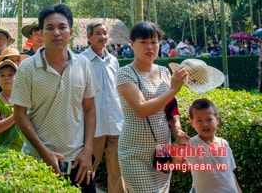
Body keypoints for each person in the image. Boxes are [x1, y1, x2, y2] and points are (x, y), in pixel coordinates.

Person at [11, 3, 99, 192]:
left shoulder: (83, 65)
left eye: (62, 27)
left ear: (71, 31)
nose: (56, 33)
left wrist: (88, 151)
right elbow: (19, 114)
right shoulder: (27, 69)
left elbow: (90, 109)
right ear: (41, 33)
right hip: (37, 160)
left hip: (78, 161)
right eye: (50, 28)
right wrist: (45, 154)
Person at [116, 21, 189, 193]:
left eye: (154, 42)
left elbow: (170, 106)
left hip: (162, 149)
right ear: (132, 44)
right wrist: (172, 89)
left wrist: (177, 129)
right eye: (143, 42)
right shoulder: (126, 73)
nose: (150, 47)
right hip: (134, 153)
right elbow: (141, 109)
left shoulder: (164, 71)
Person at [80, 22, 125, 193]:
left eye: (104, 33)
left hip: (115, 123)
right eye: (97, 33)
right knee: (88, 168)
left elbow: (117, 90)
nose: (102, 37)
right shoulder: (81, 60)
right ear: (89, 37)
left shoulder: (113, 60)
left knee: (118, 171)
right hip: (94, 126)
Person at [186, 98, 242, 193]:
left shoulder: (224, 144)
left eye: (209, 119)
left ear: (217, 120)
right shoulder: (191, 144)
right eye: (199, 120)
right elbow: (177, 161)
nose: (205, 124)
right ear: (192, 122)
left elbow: (230, 173)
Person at [0, 57, 25, 151]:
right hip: (3, 150)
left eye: (11, 75)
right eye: (2, 75)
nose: (6, 78)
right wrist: (16, 116)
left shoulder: (25, 97)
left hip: (25, 149)